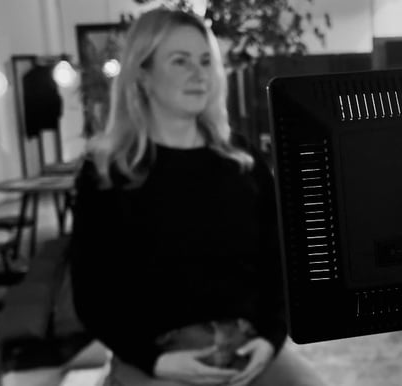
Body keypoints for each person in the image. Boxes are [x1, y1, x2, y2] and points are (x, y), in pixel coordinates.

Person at [68, 8, 327, 386]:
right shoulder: (107, 173)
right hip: (156, 356)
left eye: (206, 61)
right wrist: (154, 361)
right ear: (143, 74)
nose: (199, 73)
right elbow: (92, 295)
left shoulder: (242, 160)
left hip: (248, 347)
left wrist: (271, 339)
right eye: (180, 61)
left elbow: (281, 264)